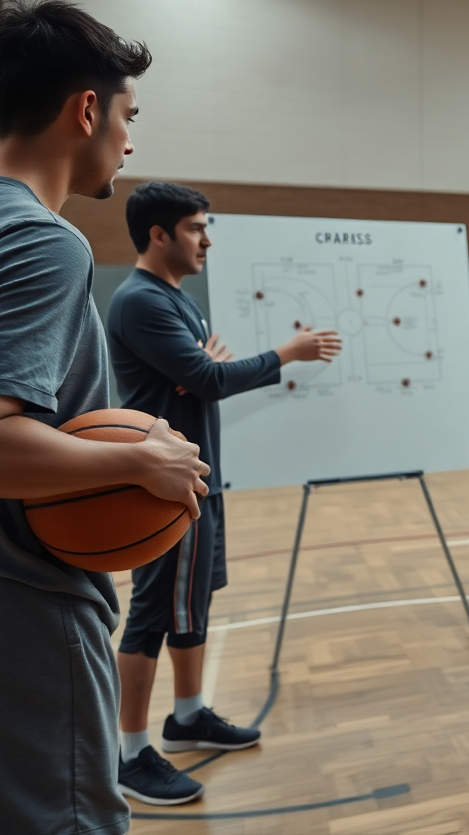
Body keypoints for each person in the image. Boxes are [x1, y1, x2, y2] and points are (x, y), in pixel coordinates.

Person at [0, 0, 210, 834]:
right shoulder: (44, 240)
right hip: (29, 606)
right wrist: (137, 461)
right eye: (129, 116)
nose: (128, 141)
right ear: (86, 110)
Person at [106, 181, 342, 804]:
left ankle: (187, 716)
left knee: (192, 604)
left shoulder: (178, 300)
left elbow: (203, 375)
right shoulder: (140, 302)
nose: (207, 240)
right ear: (159, 234)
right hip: (165, 489)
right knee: (151, 614)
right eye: (196, 228)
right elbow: (207, 378)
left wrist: (204, 372)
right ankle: (129, 754)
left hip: (196, 481)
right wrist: (285, 353)